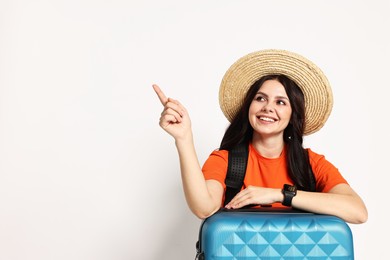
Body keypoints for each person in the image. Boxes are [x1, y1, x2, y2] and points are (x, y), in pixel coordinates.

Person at [153, 49, 368, 224]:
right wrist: (183, 139)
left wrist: (280, 195)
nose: (268, 108)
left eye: (280, 102)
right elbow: (203, 208)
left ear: (293, 115)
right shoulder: (226, 161)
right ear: (250, 106)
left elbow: (358, 212)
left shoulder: (311, 163)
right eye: (260, 98)